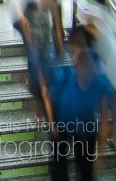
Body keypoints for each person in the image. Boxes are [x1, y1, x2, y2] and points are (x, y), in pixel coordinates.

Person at [48, 26, 112, 181]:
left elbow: (104, 118)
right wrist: (52, 124)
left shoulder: (99, 80)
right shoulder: (65, 76)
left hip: (85, 123)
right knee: (59, 164)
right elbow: (50, 98)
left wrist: (100, 154)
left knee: (85, 168)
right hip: (63, 120)